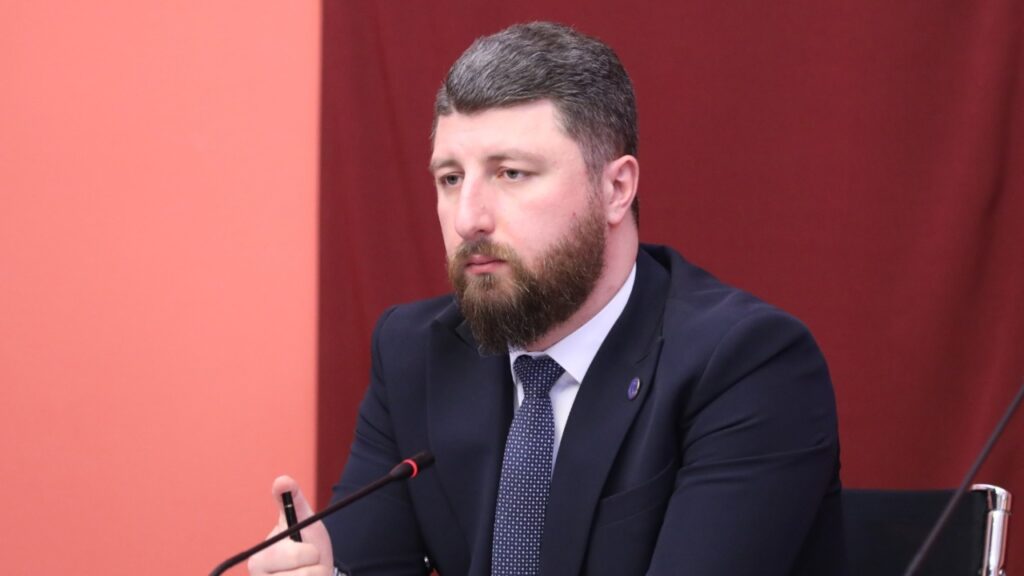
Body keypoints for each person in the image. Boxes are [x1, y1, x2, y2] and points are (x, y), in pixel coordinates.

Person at [249, 22, 844, 576]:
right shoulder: (414, 353)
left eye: (511, 173)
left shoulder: (747, 364)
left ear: (616, 188)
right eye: (451, 178)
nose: (468, 219)